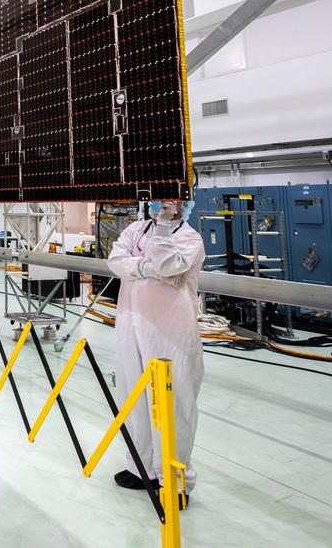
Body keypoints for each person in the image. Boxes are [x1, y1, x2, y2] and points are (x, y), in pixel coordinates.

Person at [105, 199, 204, 502]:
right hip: (130, 325)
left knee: (172, 406)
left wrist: (161, 232)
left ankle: (175, 482)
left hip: (168, 332)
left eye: (167, 199)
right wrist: (145, 267)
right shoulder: (134, 229)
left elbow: (166, 265)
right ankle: (141, 467)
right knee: (133, 397)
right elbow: (115, 261)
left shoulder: (190, 238)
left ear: (182, 202)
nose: (157, 203)